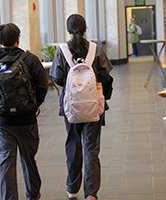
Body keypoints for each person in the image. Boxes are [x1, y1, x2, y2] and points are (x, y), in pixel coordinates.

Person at [0, 23, 48, 200]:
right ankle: (33, 195)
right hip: (27, 120)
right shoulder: (30, 60)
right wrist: (32, 106)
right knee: (29, 160)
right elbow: (42, 88)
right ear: (18, 39)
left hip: (2, 122)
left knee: (6, 163)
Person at [50, 14, 113, 200]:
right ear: (86, 30)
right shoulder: (95, 49)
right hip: (93, 106)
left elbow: (57, 78)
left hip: (71, 107)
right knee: (91, 147)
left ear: (68, 31)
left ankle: (72, 188)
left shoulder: (62, 51)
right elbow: (106, 76)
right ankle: (91, 193)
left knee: (73, 145)